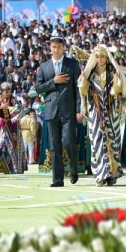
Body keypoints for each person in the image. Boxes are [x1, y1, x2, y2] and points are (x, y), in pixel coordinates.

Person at [78, 45, 126, 187]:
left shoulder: (112, 73)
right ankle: (100, 174)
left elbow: (116, 92)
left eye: (102, 56)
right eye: (97, 57)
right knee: (97, 142)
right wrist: (83, 80)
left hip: (111, 112)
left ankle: (111, 174)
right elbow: (84, 92)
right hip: (95, 113)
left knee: (113, 141)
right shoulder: (90, 74)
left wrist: (117, 82)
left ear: (107, 57)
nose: (99, 59)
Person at [35, 34, 83, 187]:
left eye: (59, 47)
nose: (56, 50)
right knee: (55, 146)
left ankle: (74, 167)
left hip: (69, 111)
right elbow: (38, 88)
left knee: (68, 141)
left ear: (63, 48)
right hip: (50, 111)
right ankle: (58, 179)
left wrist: (79, 109)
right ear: (50, 48)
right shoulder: (43, 67)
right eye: (54, 47)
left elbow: (78, 89)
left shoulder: (72, 64)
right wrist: (53, 82)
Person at [0, 82, 24, 174]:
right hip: (2, 124)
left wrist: (11, 109)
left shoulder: (13, 100)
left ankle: (14, 168)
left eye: (9, 91)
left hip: (12, 125)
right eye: (6, 91)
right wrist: (0, 107)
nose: (8, 93)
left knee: (13, 145)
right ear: (1, 91)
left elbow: (21, 111)